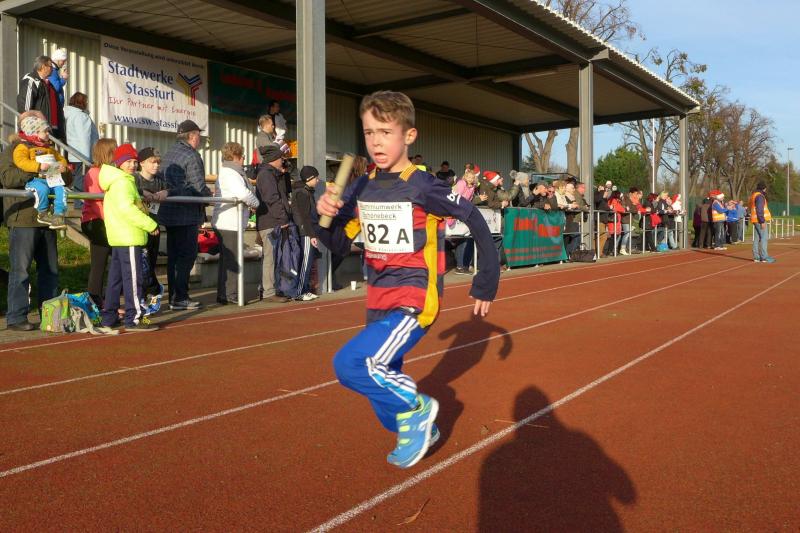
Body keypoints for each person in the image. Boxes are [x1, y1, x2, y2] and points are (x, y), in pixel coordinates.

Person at [316, 90, 499, 469]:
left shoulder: (424, 185)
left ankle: (418, 408)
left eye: (386, 132)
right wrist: (325, 217)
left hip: (414, 300)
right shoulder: (362, 186)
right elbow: (337, 245)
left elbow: (474, 218)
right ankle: (419, 426)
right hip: (377, 301)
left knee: (350, 364)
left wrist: (486, 279)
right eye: (369, 132)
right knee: (383, 391)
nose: (376, 141)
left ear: (409, 135)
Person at [1, 112, 68, 331]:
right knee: (21, 271)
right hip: (22, 218)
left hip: (46, 219)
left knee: (50, 270)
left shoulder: (49, 149)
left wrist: (60, 170)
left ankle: (50, 316)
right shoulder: (13, 150)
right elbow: (7, 179)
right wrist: (35, 170)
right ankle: (16, 317)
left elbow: (65, 178)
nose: (48, 132)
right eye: (42, 127)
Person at [98, 143, 160, 332]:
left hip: (119, 236)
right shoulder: (123, 182)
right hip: (129, 236)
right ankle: (133, 318)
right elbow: (128, 209)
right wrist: (150, 224)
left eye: (134, 162)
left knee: (115, 280)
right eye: (128, 162)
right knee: (133, 279)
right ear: (119, 163)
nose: (132, 165)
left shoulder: (116, 181)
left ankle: (109, 317)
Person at [158, 119, 211, 310]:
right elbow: (198, 187)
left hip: (169, 213)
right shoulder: (192, 156)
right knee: (187, 256)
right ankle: (180, 296)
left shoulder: (169, 153)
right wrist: (209, 196)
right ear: (192, 136)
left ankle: (174, 297)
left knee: (173, 257)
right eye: (198, 135)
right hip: (186, 214)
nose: (200, 139)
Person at [211, 142, 259, 305]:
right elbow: (243, 193)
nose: (244, 159)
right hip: (229, 223)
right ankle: (230, 294)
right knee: (232, 260)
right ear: (236, 157)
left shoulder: (230, 172)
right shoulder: (231, 173)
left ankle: (224, 294)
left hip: (229, 222)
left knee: (227, 260)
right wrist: (256, 204)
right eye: (242, 156)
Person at [13, 113, 68, 229]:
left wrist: (62, 166)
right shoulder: (23, 147)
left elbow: (61, 159)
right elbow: (21, 161)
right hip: (36, 179)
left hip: (51, 177)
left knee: (61, 189)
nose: (48, 134)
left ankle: (59, 214)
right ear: (34, 133)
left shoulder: (48, 148)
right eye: (45, 131)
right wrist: (38, 166)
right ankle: (42, 212)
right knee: (42, 190)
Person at [81, 138, 117, 306]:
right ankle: (96, 300)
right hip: (96, 221)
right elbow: (97, 201)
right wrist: (111, 220)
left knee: (105, 261)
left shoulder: (108, 172)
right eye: (115, 150)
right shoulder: (94, 172)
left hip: (103, 220)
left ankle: (102, 299)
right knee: (99, 262)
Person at [255, 143, 291, 303]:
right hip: (270, 222)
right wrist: (283, 218)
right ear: (274, 159)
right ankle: (268, 292)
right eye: (280, 158)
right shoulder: (266, 175)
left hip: (271, 221)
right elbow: (272, 199)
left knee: (273, 258)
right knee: (270, 258)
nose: (283, 160)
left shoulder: (271, 174)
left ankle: (270, 289)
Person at [134, 147, 169, 299]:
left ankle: (151, 292)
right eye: (152, 162)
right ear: (142, 163)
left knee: (151, 262)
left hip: (155, 227)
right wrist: (142, 192)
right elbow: (128, 189)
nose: (156, 165)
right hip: (139, 228)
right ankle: (142, 295)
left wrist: (166, 192)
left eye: (158, 162)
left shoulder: (160, 180)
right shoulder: (135, 178)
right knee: (141, 264)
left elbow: (174, 188)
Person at [291, 166, 321, 301]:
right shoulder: (302, 193)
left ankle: (305, 289)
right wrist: (311, 235)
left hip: (307, 231)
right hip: (306, 232)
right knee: (305, 262)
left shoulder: (306, 191)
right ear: (309, 178)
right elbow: (305, 216)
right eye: (316, 178)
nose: (318, 180)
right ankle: (300, 291)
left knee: (307, 262)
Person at [17, 56, 64, 142]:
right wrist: (31, 132)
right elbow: (25, 110)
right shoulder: (31, 81)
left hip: (49, 131)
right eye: (50, 66)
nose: (52, 69)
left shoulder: (48, 84)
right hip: (37, 133)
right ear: (43, 67)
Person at [63, 92, 99, 203]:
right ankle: (79, 205)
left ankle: (78, 202)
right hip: (82, 154)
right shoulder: (81, 116)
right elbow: (84, 138)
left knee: (76, 178)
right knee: (81, 178)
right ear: (83, 102)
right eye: (86, 101)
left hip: (73, 152)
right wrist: (86, 159)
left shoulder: (69, 114)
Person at [452, 168, 478, 274]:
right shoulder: (461, 183)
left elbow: (470, 200)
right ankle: (459, 266)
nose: (471, 179)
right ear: (465, 177)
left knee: (466, 239)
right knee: (460, 239)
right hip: (455, 212)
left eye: (472, 177)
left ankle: (463, 265)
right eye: (469, 177)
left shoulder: (473, 187)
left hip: (463, 213)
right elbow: (457, 197)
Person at [750, 181, 774, 263]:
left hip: (755, 219)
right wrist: (762, 221)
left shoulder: (754, 195)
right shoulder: (760, 196)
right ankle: (764, 257)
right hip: (759, 220)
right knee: (764, 238)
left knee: (757, 238)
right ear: (764, 188)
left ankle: (756, 257)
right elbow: (759, 209)